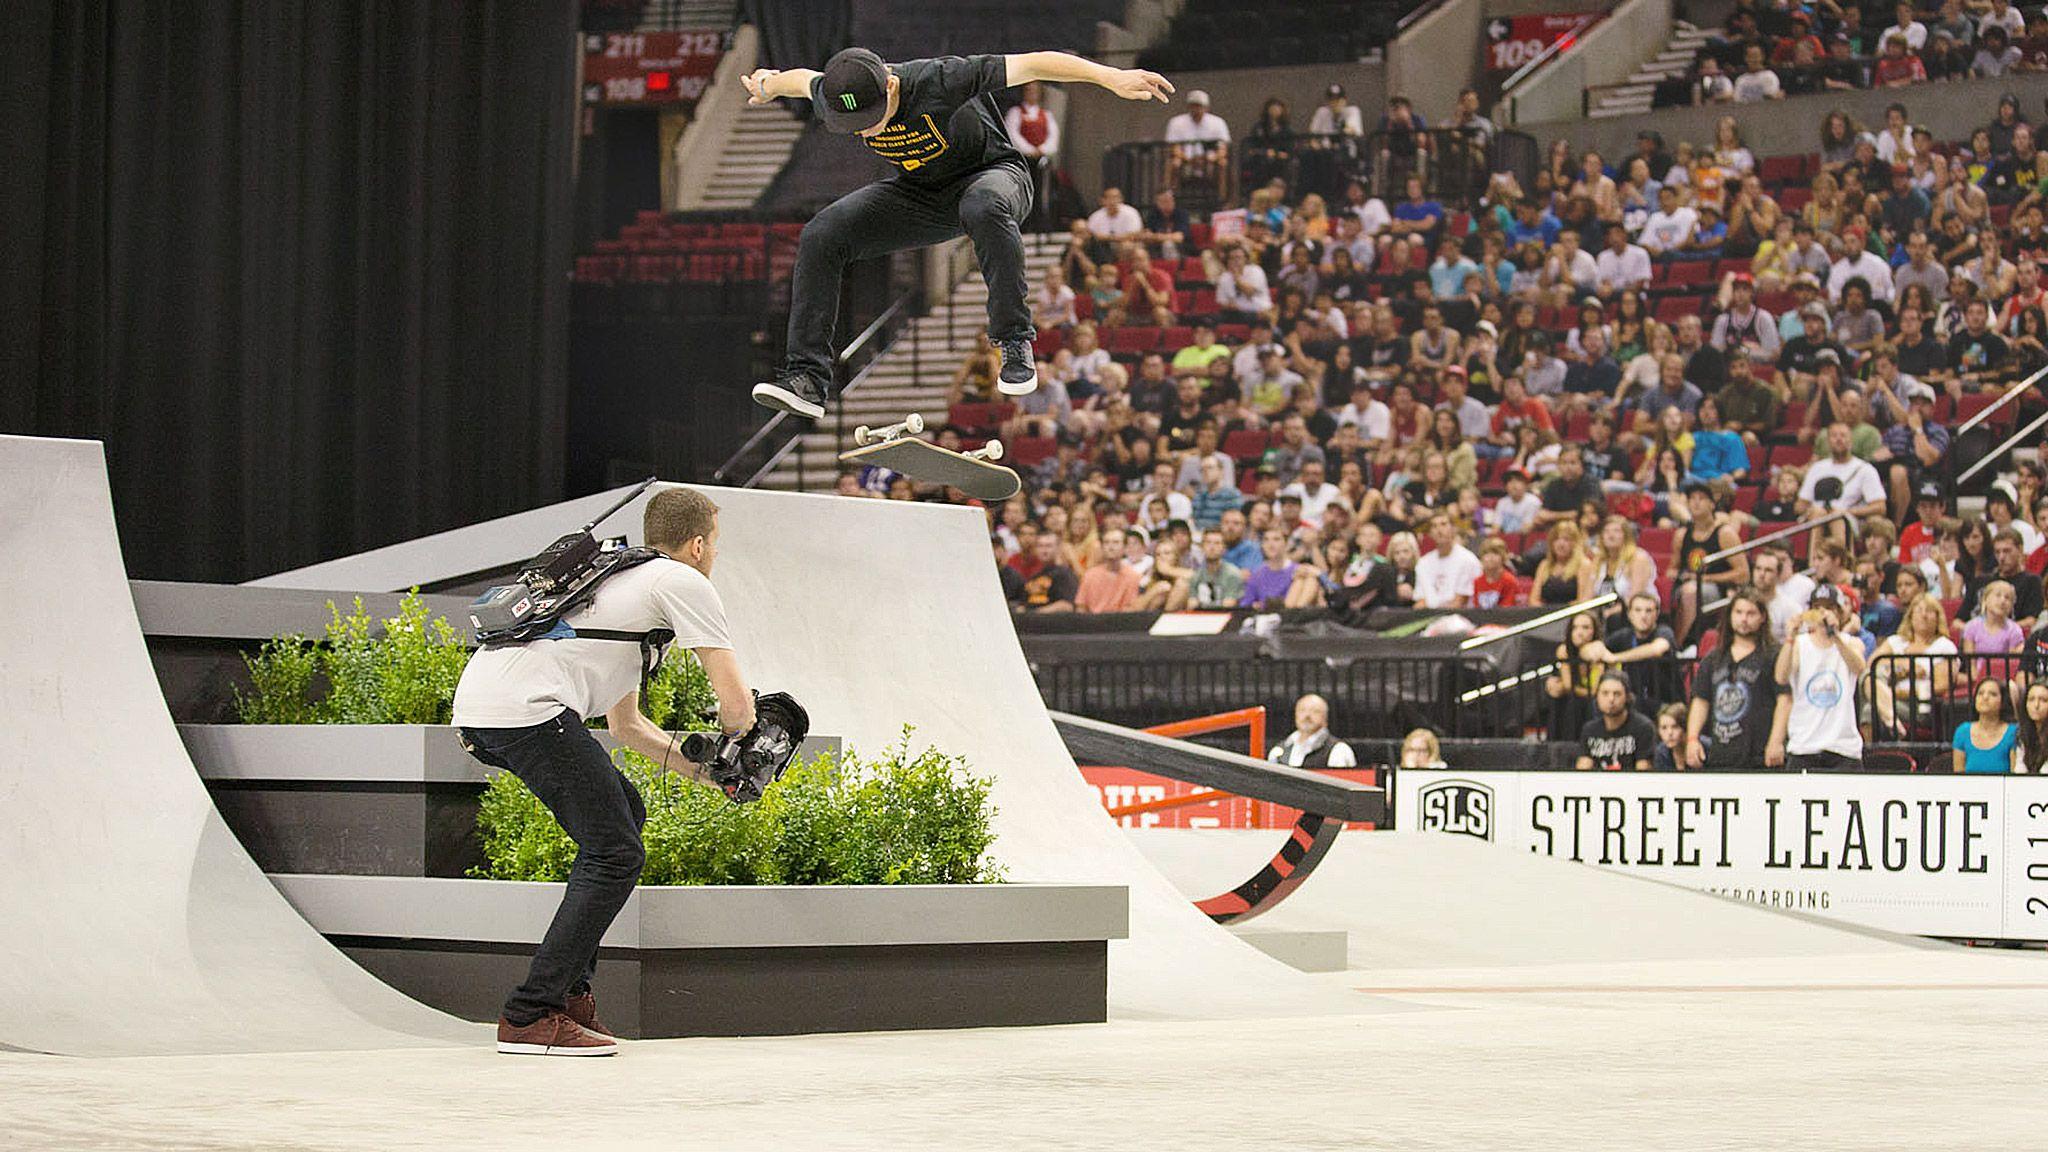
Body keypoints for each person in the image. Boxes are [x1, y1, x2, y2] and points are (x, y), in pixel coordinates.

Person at [455, 488, 756, 1056]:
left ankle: (569, 995)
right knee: (616, 851)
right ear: (697, 545)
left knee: (625, 816)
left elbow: (627, 727)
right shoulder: (683, 581)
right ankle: (531, 1013)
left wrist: (708, 774)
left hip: (483, 709)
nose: (714, 556)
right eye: (715, 545)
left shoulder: (616, 575)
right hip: (531, 710)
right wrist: (747, 738)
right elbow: (737, 708)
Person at [745, 48, 1173, 417]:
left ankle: (1014, 341)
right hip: (919, 195)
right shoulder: (837, 92)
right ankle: (807, 378)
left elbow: (1035, 63)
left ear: (891, 87)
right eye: (857, 124)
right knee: (821, 233)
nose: (868, 129)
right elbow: (802, 80)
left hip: (994, 178)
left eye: (874, 118)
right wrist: (769, 84)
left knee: (981, 205)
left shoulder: (942, 77)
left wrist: (1110, 76)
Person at [1687, 589, 1789, 771]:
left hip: (1760, 755)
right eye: (1739, 612)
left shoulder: (1773, 655)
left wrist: (1776, 742)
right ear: (1730, 616)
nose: (1744, 619)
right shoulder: (1713, 658)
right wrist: (1692, 739)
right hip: (1721, 754)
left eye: (1751, 613)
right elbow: (1700, 700)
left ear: (1763, 617)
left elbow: (1785, 701)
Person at [1775, 587, 1867, 771]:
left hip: (1843, 747)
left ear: (1840, 612)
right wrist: (1790, 638)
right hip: (1805, 745)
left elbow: (1858, 667)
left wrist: (1835, 636)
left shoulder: (1851, 643)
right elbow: (1781, 677)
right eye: (1817, 608)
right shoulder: (1800, 645)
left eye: (1829, 608)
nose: (1823, 613)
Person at [1577, 673, 1658, 771]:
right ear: (1597, 696)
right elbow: (1583, 770)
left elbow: (1643, 770)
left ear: (1627, 697)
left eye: (1617, 694)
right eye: (1605, 693)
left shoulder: (1643, 727)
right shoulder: (1589, 729)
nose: (1611, 699)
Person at [1269, 693, 1358, 767]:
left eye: (1315, 711)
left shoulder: (1339, 750)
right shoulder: (1278, 751)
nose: (1307, 715)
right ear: (1295, 715)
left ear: (1325, 718)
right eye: (1302, 710)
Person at [1414, 513, 1482, 609]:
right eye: (1434, 526)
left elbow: (1460, 602)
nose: (1439, 530)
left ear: (1453, 529)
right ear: (1430, 533)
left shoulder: (1468, 560)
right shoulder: (1423, 563)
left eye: (1443, 524)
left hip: (1461, 618)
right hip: (1429, 617)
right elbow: (1421, 601)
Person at [1953, 678, 2019, 772]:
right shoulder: (1962, 732)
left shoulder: (2013, 733)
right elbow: (1958, 777)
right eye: (1980, 693)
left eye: (1993, 694)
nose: (1985, 697)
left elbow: (2015, 777)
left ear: (2002, 701)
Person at [2016, 679, 2048, 773]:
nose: (2036, 705)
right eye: (2031, 700)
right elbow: (2018, 771)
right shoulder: (2021, 733)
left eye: (2044, 700)